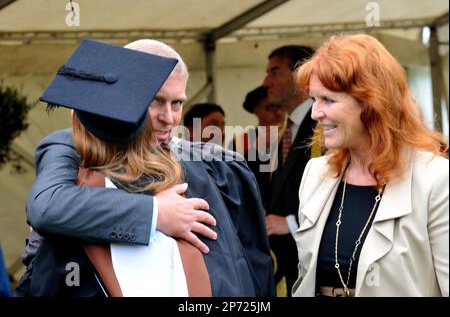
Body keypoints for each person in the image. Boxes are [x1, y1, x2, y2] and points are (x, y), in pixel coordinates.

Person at [16, 39, 275, 297]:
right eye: (156, 101)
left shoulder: (219, 168)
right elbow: (48, 206)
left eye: (177, 103)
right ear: (124, 97)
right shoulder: (75, 148)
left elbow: (253, 265)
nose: (169, 117)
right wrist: (156, 213)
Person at [292, 34, 449, 297]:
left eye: (328, 100)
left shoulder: (436, 180)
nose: (315, 113)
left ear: (371, 102)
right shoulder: (315, 174)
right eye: (313, 100)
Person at [262, 45, 317, 295]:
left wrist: (291, 221)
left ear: (300, 75)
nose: (266, 82)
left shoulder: (323, 128)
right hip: (288, 264)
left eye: (275, 73)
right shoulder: (286, 131)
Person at [231, 86, 285, 206]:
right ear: (256, 110)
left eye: (280, 106)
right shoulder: (241, 141)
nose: (279, 112)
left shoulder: (290, 136)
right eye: (271, 107)